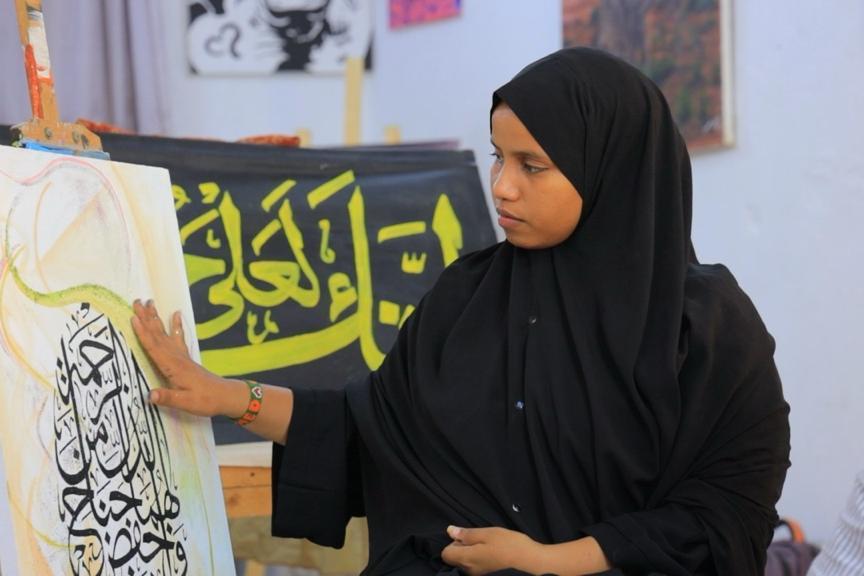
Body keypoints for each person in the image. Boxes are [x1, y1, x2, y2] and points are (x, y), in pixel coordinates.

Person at [131, 48, 791, 575]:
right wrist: (224, 396)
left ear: (610, 170)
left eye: (533, 166)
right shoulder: (467, 298)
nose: (502, 187)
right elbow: (370, 432)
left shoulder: (704, 329)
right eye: (500, 157)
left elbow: (726, 509)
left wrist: (549, 561)